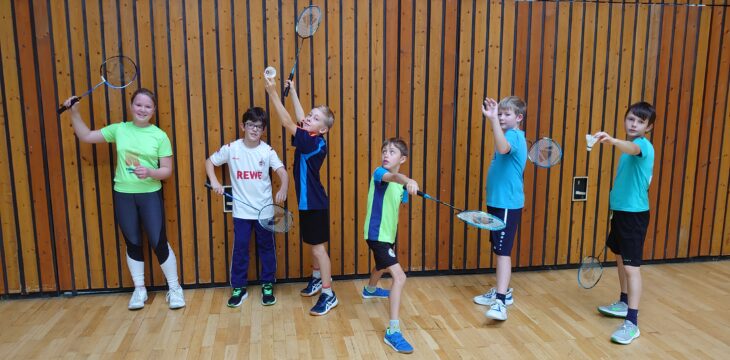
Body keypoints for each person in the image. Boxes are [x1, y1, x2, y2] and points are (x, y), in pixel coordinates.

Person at [62, 88, 185, 310]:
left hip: (150, 195)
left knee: (158, 242)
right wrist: (74, 113)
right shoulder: (119, 129)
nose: (142, 109)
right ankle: (140, 290)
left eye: (148, 106)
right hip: (124, 195)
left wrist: (150, 172)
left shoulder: (160, 135)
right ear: (131, 106)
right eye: (139, 104)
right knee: (133, 243)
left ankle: (175, 288)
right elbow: (86, 136)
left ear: (154, 110)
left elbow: (167, 170)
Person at [264, 78, 337, 315]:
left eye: (315, 118)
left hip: (314, 204)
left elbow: (287, 121)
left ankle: (328, 293)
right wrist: (293, 91)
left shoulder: (312, 142)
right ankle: (317, 278)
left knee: (318, 249)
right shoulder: (312, 137)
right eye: (311, 114)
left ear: (323, 129)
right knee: (314, 246)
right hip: (310, 202)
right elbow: (300, 118)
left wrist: (273, 93)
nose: (309, 118)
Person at [205, 107, 288, 307]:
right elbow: (209, 162)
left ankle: (267, 284)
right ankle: (239, 288)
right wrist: (215, 182)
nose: (254, 130)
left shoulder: (267, 151)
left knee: (267, 248)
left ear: (263, 130)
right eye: (250, 125)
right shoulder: (231, 148)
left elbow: (282, 171)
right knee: (240, 248)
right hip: (241, 212)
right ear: (243, 126)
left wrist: (284, 187)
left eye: (258, 127)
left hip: (265, 211)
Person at [593, 101, 656, 345]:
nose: (634, 124)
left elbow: (631, 147)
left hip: (634, 216)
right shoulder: (630, 148)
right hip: (620, 212)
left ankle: (632, 322)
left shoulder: (642, 146)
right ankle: (623, 301)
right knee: (619, 256)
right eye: (631, 119)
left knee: (632, 268)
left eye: (640, 122)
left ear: (647, 128)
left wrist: (613, 141)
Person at [472, 96, 527, 321]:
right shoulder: (508, 134)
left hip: (507, 204)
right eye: (500, 113)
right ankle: (502, 291)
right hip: (496, 202)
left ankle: (501, 302)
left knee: (503, 253)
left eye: (507, 114)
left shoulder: (513, 136)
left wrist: (493, 119)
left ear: (519, 118)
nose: (503, 117)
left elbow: (503, 149)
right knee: (498, 249)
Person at [362, 138, 419, 354]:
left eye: (392, 152)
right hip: (377, 235)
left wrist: (409, 188)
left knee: (382, 264)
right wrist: (408, 180)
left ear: (402, 158)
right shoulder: (380, 174)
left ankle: (370, 290)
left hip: (387, 234)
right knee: (400, 277)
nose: (386, 154)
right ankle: (393, 331)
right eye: (384, 150)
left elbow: (397, 200)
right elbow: (395, 177)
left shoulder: (400, 188)